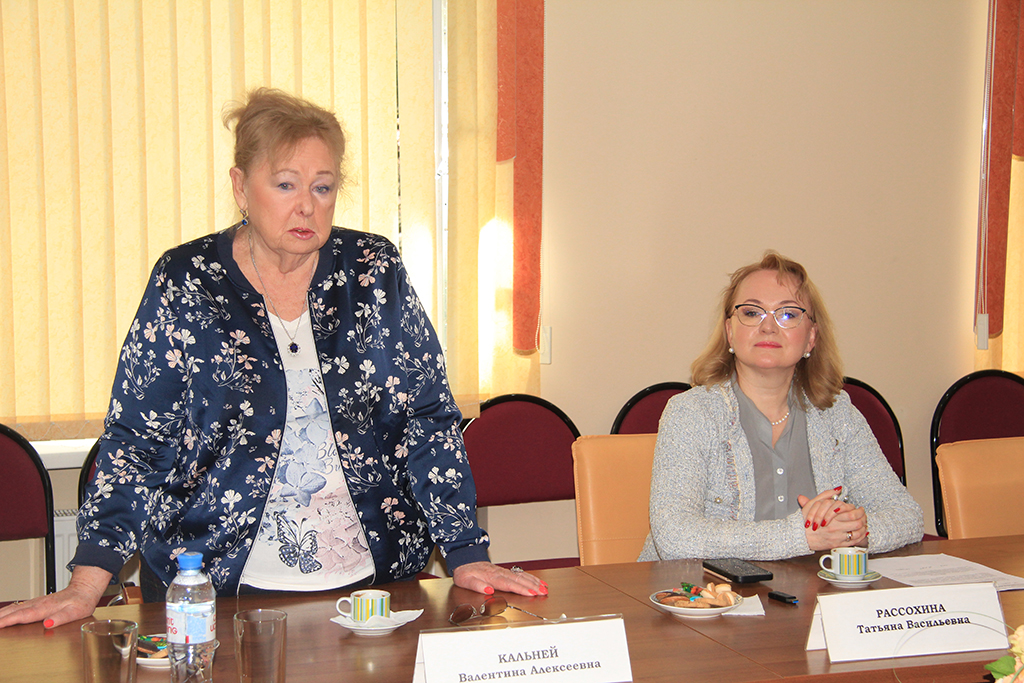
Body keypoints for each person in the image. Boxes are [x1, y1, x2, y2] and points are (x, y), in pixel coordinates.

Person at [0, 88, 543, 630]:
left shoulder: (372, 270)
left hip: (374, 589)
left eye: (322, 187)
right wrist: (86, 586)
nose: (307, 206)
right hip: (216, 592)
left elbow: (427, 419)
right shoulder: (187, 281)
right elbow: (139, 440)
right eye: (285, 184)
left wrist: (465, 550)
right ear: (241, 187)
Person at [638, 251, 923, 562]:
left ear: (811, 337)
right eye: (752, 313)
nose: (769, 327)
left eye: (787, 314)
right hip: (701, 590)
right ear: (730, 332)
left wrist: (852, 531)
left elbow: (906, 515)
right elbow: (676, 537)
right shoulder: (691, 413)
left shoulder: (838, 415)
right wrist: (802, 535)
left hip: (811, 588)